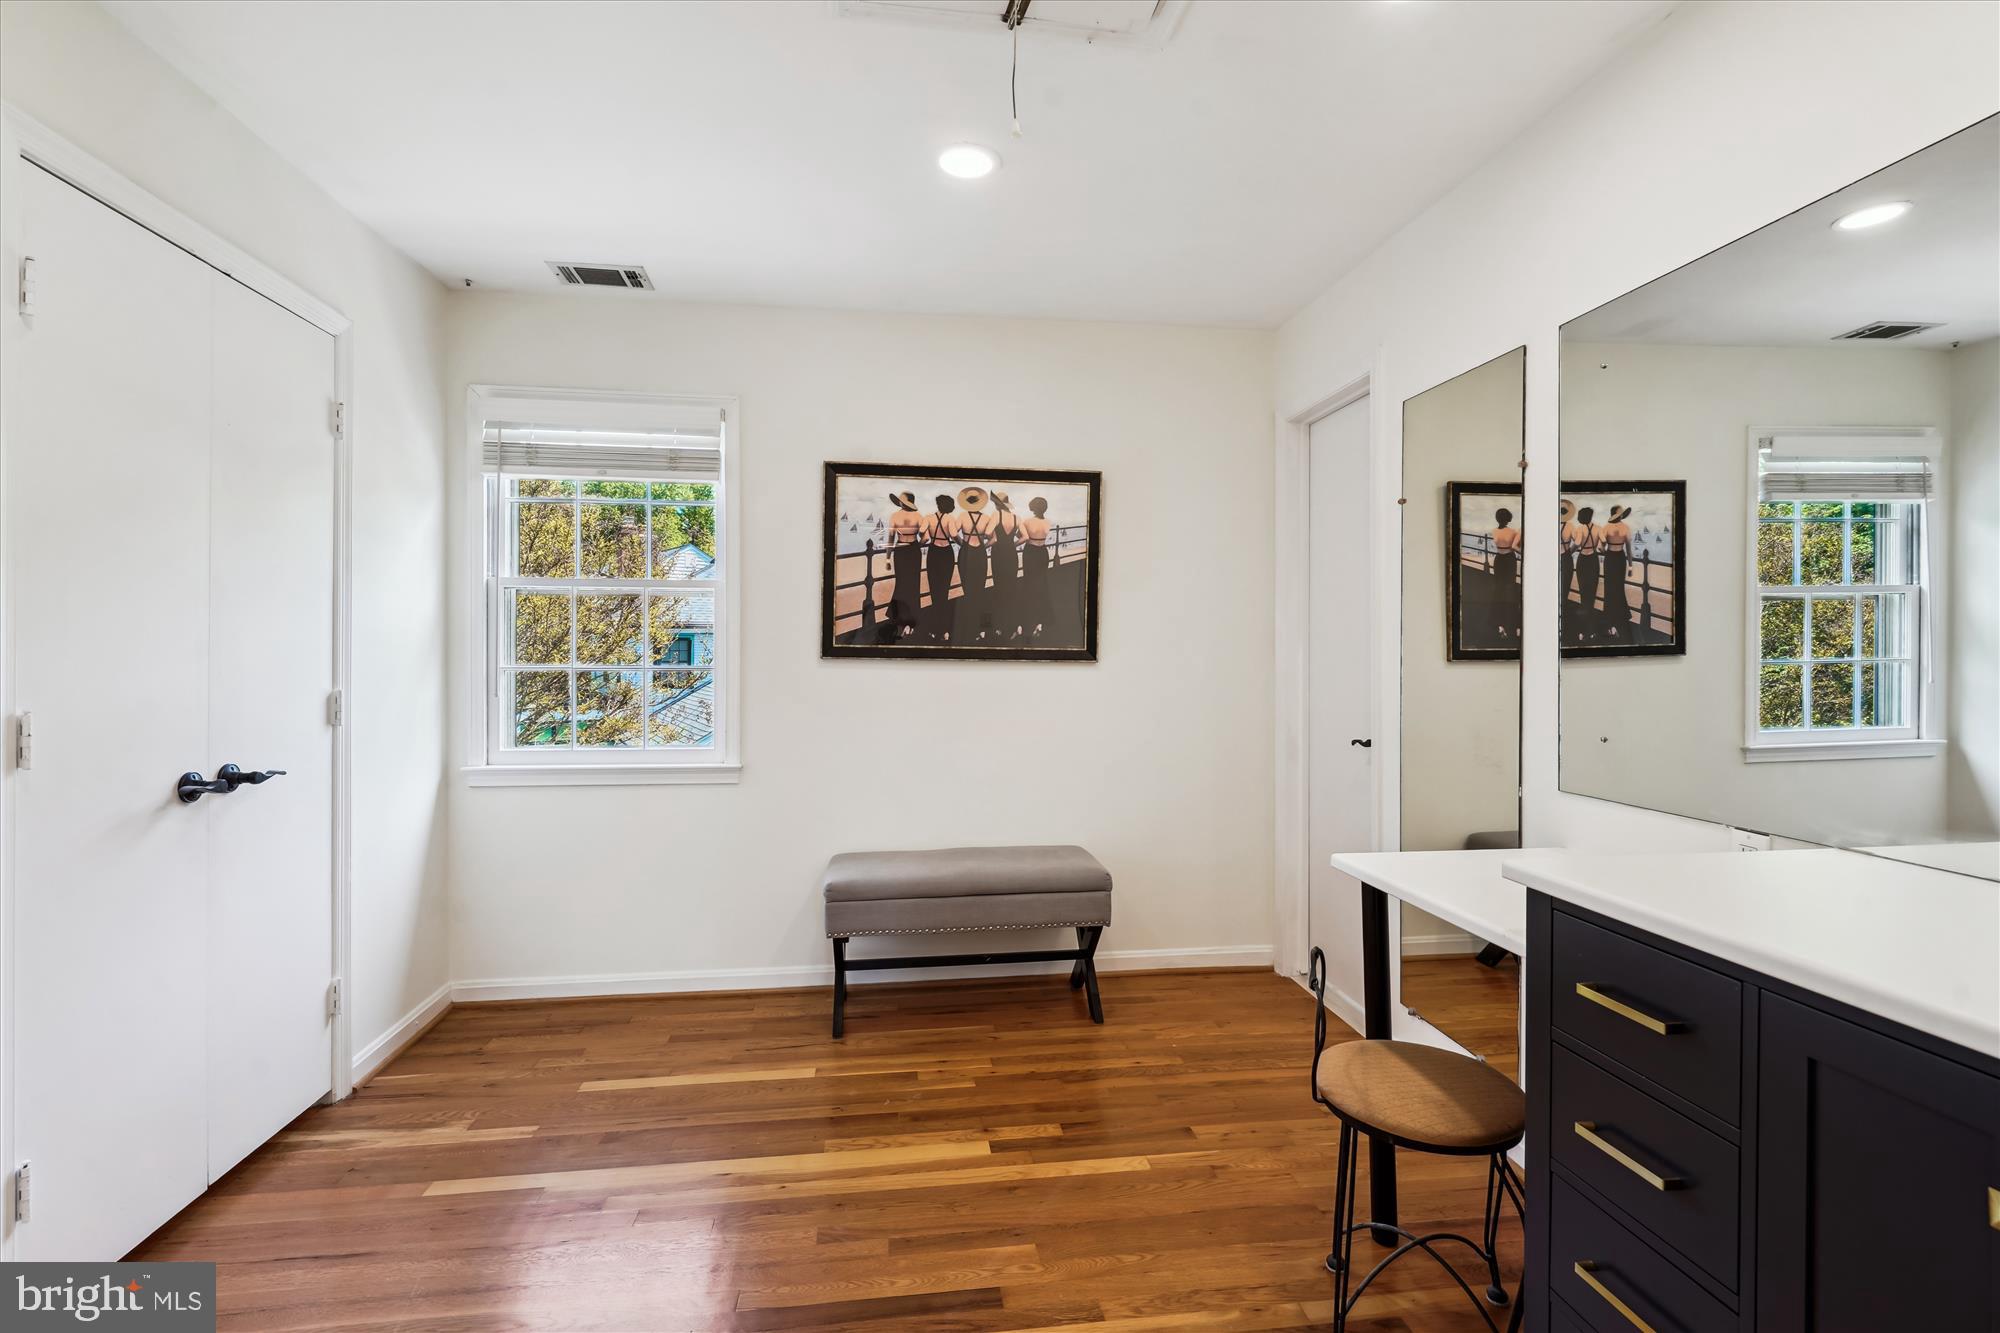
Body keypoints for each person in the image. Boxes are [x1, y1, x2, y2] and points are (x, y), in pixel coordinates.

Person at [951, 486, 997, 642]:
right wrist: (984, 546)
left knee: (967, 591)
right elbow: (994, 539)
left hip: (966, 553)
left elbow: (952, 533)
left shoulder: (963, 516)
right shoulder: (986, 518)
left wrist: (962, 543)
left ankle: (967, 627)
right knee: (979, 591)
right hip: (980, 555)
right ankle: (981, 630)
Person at [884, 491, 923, 640]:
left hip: (900, 550)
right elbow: (925, 536)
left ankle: (900, 621)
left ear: (903, 502)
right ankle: (910, 624)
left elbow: (890, 539)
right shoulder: (919, 517)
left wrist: (887, 559)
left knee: (901, 584)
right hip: (914, 551)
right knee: (913, 585)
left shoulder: (894, 516)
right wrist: (917, 544)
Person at [1566, 505, 1601, 645]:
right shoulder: (1598, 528)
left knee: (1583, 595)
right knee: (1591, 596)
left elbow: (1577, 543)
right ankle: (1591, 630)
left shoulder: (1580, 529)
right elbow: (1602, 544)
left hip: (1583, 561)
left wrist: (1570, 551)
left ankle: (1583, 631)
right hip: (1594, 561)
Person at [924, 493, 957, 642]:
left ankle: (932, 630)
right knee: (944, 592)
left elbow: (922, 535)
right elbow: (955, 535)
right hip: (946, 554)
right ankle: (945, 631)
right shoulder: (950, 519)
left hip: (933, 553)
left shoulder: (928, 518)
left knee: (934, 592)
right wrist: (963, 544)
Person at [1597, 503, 1633, 643]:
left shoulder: (1606, 528)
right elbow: (1629, 550)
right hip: (1619, 559)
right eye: (1620, 512)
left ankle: (1612, 618)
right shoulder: (1625, 528)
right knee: (1617, 587)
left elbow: (1601, 547)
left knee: (1612, 588)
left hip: (1611, 558)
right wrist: (1630, 566)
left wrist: (1604, 549)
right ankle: (1620, 616)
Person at [989, 491, 1022, 641]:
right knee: (1011, 589)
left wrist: (991, 538)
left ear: (997, 504)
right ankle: (1013, 627)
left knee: (999, 589)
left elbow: (988, 532)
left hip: (998, 555)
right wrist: (1012, 544)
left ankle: (1000, 627)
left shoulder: (996, 515)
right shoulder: (1016, 517)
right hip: (1011, 554)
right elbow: (1026, 537)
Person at [1020, 496, 1053, 640]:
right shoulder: (1048, 522)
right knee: (1041, 585)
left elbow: (1022, 536)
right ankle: (1041, 621)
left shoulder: (1027, 521)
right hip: (1043, 552)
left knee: (1029, 586)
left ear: (1032, 507)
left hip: (1031, 552)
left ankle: (1029, 621)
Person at [1489, 507, 1522, 643]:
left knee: (1499, 589)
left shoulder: (1494, 531)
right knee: (1510, 589)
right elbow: (1515, 547)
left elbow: (1496, 543)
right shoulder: (1514, 531)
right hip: (1509, 560)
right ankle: (1513, 624)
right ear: (1509, 518)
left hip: (1499, 559)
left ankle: (1500, 624)